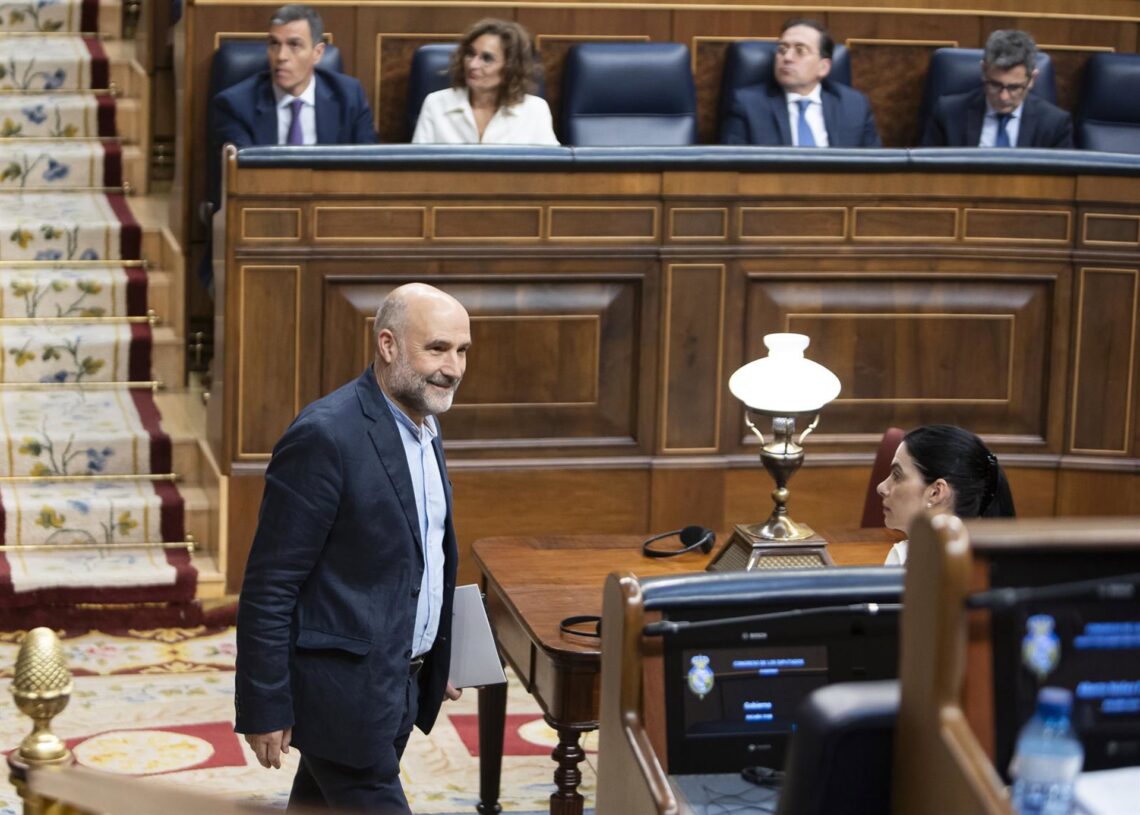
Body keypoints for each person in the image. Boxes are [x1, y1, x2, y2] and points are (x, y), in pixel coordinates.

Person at [234, 283, 471, 813]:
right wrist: (264, 704)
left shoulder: (426, 428)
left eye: (462, 351)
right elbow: (270, 585)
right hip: (343, 699)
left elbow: (415, 561)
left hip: (397, 688)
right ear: (387, 345)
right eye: (437, 349)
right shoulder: (326, 436)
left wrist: (438, 653)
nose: (453, 368)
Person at [721, 18, 881, 148]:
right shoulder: (748, 105)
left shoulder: (854, 106)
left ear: (823, 67)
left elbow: (874, 172)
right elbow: (734, 171)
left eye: (800, 50)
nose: (787, 58)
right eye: (782, 49)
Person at [877, 424, 1016, 566]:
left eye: (897, 475)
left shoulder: (902, 560)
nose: (881, 487)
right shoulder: (994, 571)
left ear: (936, 492)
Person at [411, 18, 558, 145]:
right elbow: (416, 168)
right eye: (470, 54)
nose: (472, 65)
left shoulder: (535, 110)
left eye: (487, 58)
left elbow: (552, 171)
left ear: (510, 68)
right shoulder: (436, 104)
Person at [921, 29, 1073, 148]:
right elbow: (927, 175)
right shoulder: (949, 114)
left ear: (1032, 79)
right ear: (983, 71)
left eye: (1014, 87)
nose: (1003, 97)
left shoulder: (1055, 124)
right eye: (995, 85)